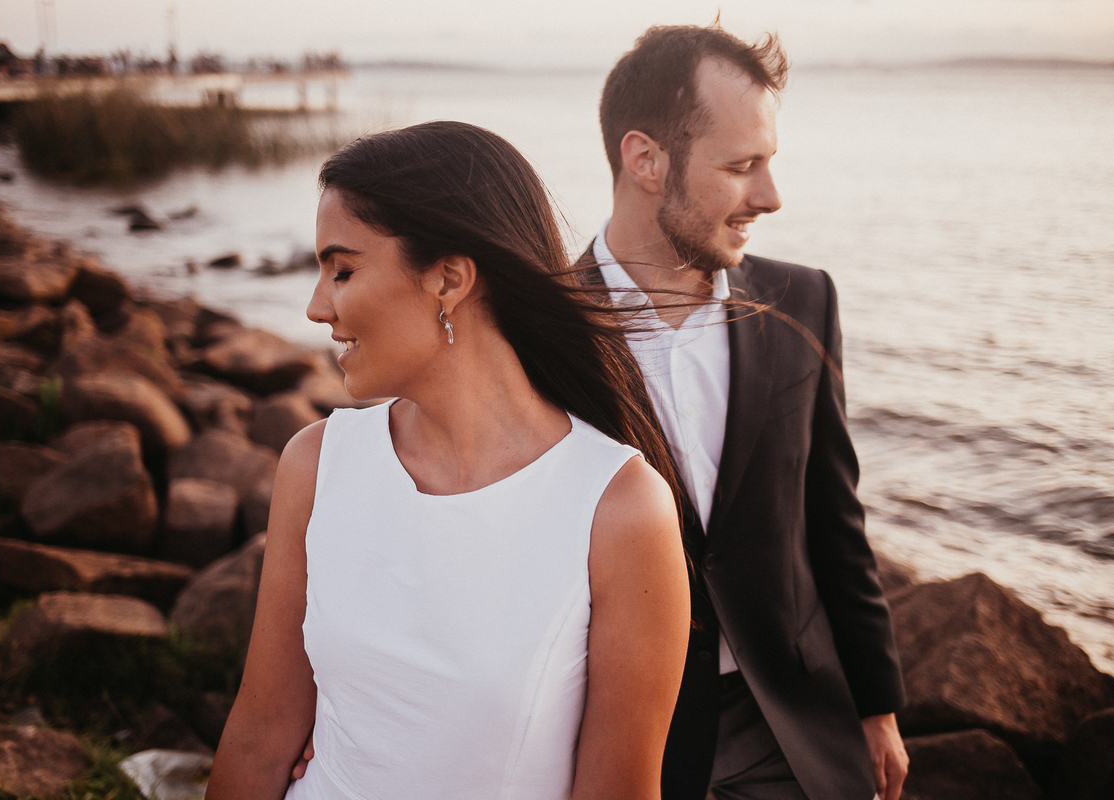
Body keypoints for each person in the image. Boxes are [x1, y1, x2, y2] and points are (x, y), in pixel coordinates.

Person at [205, 121, 691, 800]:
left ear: (449, 278)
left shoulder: (618, 508)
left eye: (342, 270)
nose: (317, 307)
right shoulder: (317, 464)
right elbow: (260, 738)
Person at [575, 24, 909, 800]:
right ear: (645, 160)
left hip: (790, 724)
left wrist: (876, 703)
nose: (770, 196)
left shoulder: (804, 301)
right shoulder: (542, 328)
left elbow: (833, 518)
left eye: (769, 162)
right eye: (740, 166)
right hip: (626, 734)